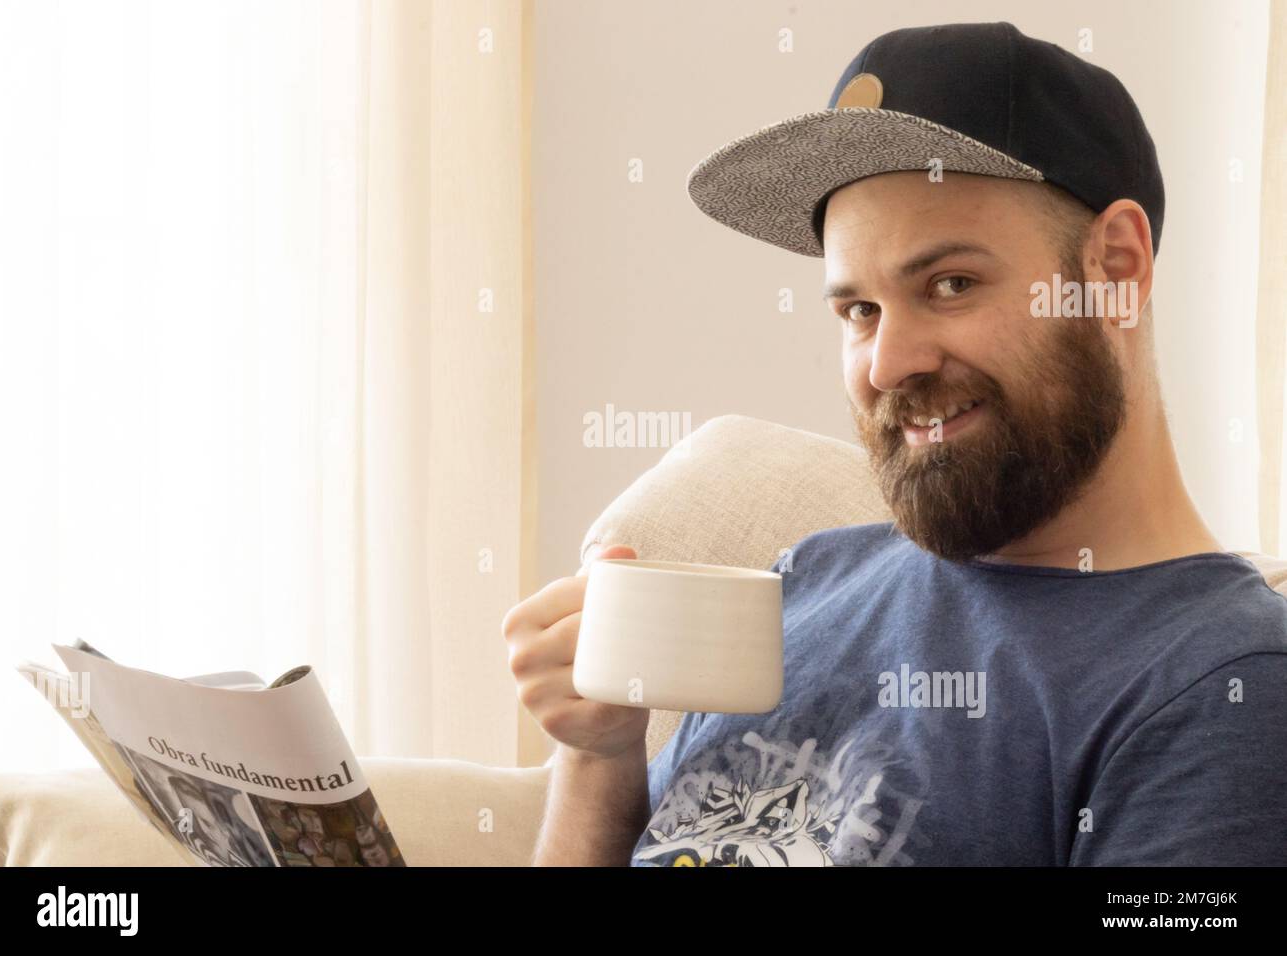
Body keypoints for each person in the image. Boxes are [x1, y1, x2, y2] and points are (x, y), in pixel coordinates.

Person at [502, 21, 1287, 866]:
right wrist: (598, 754)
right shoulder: (798, 587)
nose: (888, 363)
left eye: (950, 284)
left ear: (1118, 269)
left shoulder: (1224, 684)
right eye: (859, 311)